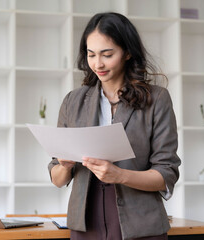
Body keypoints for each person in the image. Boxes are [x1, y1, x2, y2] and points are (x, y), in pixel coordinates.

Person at [48, 12, 181, 240]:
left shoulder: (156, 99)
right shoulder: (73, 101)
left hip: (140, 223)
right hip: (85, 223)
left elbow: (166, 173)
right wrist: (65, 166)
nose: (97, 64)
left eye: (107, 54)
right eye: (91, 55)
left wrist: (119, 175)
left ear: (127, 52)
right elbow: (57, 178)